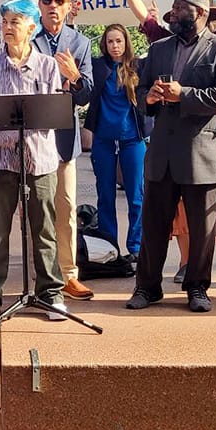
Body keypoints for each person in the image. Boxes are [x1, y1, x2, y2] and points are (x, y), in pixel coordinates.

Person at [115, 0, 216, 280]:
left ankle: (195, 277)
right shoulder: (161, 45)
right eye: (171, 10)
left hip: (207, 139)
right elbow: (142, 17)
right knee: (161, 216)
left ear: (201, 13)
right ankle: (152, 282)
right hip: (166, 147)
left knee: (200, 215)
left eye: (179, 8)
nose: (172, 14)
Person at [0, 0, 68, 322]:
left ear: (31, 27)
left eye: (15, 22)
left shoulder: (48, 66)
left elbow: (51, 113)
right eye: (5, 22)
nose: (8, 28)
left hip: (39, 159)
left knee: (44, 229)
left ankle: (50, 293)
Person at [31, 0, 96, 302]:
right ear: (39, 4)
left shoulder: (80, 43)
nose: (53, 6)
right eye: (47, 0)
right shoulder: (28, 38)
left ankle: (69, 275)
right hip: (31, 137)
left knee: (66, 207)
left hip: (63, 139)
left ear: (69, 6)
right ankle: (43, 274)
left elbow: (86, 96)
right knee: (37, 209)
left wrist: (74, 76)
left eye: (59, 1)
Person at [85, 24, 147, 260]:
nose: (115, 46)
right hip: (103, 139)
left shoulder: (137, 66)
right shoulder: (98, 66)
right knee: (105, 193)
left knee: (136, 195)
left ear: (126, 42)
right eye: (110, 41)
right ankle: (109, 246)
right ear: (104, 44)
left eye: (119, 41)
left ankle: (136, 247)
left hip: (133, 137)